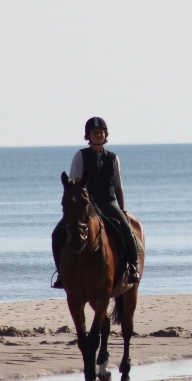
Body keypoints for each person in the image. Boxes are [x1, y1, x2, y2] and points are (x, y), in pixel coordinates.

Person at [51, 117, 140, 288]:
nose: (98, 135)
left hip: (107, 201)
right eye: (94, 132)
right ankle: (61, 274)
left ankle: (133, 267)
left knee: (126, 228)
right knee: (57, 234)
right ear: (88, 136)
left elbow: (118, 186)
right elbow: (75, 181)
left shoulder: (113, 158)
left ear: (106, 135)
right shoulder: (80, 156)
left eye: (101, 132)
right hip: (87, 204)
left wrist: (123, 209)